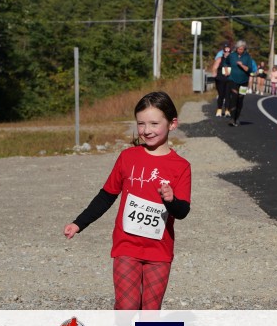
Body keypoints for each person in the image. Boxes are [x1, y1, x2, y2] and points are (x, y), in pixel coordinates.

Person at [63, 91, 191, 312]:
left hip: (159, 250)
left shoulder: (181, 166)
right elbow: (106, 196)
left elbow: (182, 211)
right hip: (126, 245)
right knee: (127, 306)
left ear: (172, 123)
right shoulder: (128, 158)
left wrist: (171, 200)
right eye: (141, 124)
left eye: (154, 123)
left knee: (150, 311)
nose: (146, 130)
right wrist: (78, 223)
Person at [225, 40, 257, 127]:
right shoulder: (232, 55)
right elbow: (225, 62)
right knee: (234, 98)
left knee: (240, 99)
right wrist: (226, 70)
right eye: (239, 49)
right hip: (233, 79)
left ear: (244, 49)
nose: (240, 50)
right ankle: (232, 118)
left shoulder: (247, 57)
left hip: (244, 81)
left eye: (242, 49)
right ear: (236, 48)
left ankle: (237, 118)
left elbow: (249, 69)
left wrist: (242, 65)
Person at [210, 42, 233, 117]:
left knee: (228, 95)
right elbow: (214, 67)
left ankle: (227, 110)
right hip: (220, 79)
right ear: (223, 51)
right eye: (225, 51)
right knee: (221, 94)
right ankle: (219, 109)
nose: (227, 53)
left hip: (229, 79)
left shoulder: (233, 60)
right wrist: (214, 73)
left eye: (228, 51)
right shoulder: (220, 59)